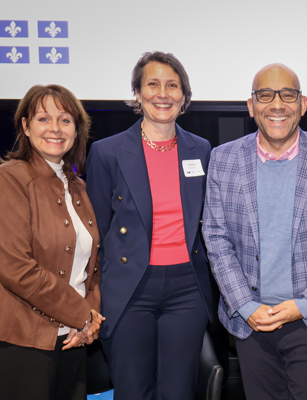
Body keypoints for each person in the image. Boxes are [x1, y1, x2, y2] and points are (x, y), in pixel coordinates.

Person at [202, 63, 307, 400]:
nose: (277, 104)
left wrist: (305, 304)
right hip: (252, 325)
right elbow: (216, 240)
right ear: (251, 106)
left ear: (303, 104)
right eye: (265, 95)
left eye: (287, 95)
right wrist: (245, 306)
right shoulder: (223, 159)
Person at [86, 51, 214, 399]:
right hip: (129, 289)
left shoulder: (201, 150)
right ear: (138, 94)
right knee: (132, 390)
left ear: (184, 97)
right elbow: (96, 230)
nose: (163, 93)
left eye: (172, 85)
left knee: (178, 391)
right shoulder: (107, 152)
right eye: (153, 84)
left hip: (186, 289)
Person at [0, 84, 103, 400]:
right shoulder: (6, 179)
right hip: (18, 342)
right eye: (43, 119)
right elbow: (17, 270)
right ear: (26, 127)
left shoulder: (78, 187)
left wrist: (89, 321)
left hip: (72, 339)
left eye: (65, 120)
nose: (55, 129)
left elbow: (90, 269)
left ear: (77, 130)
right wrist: (82, 315)